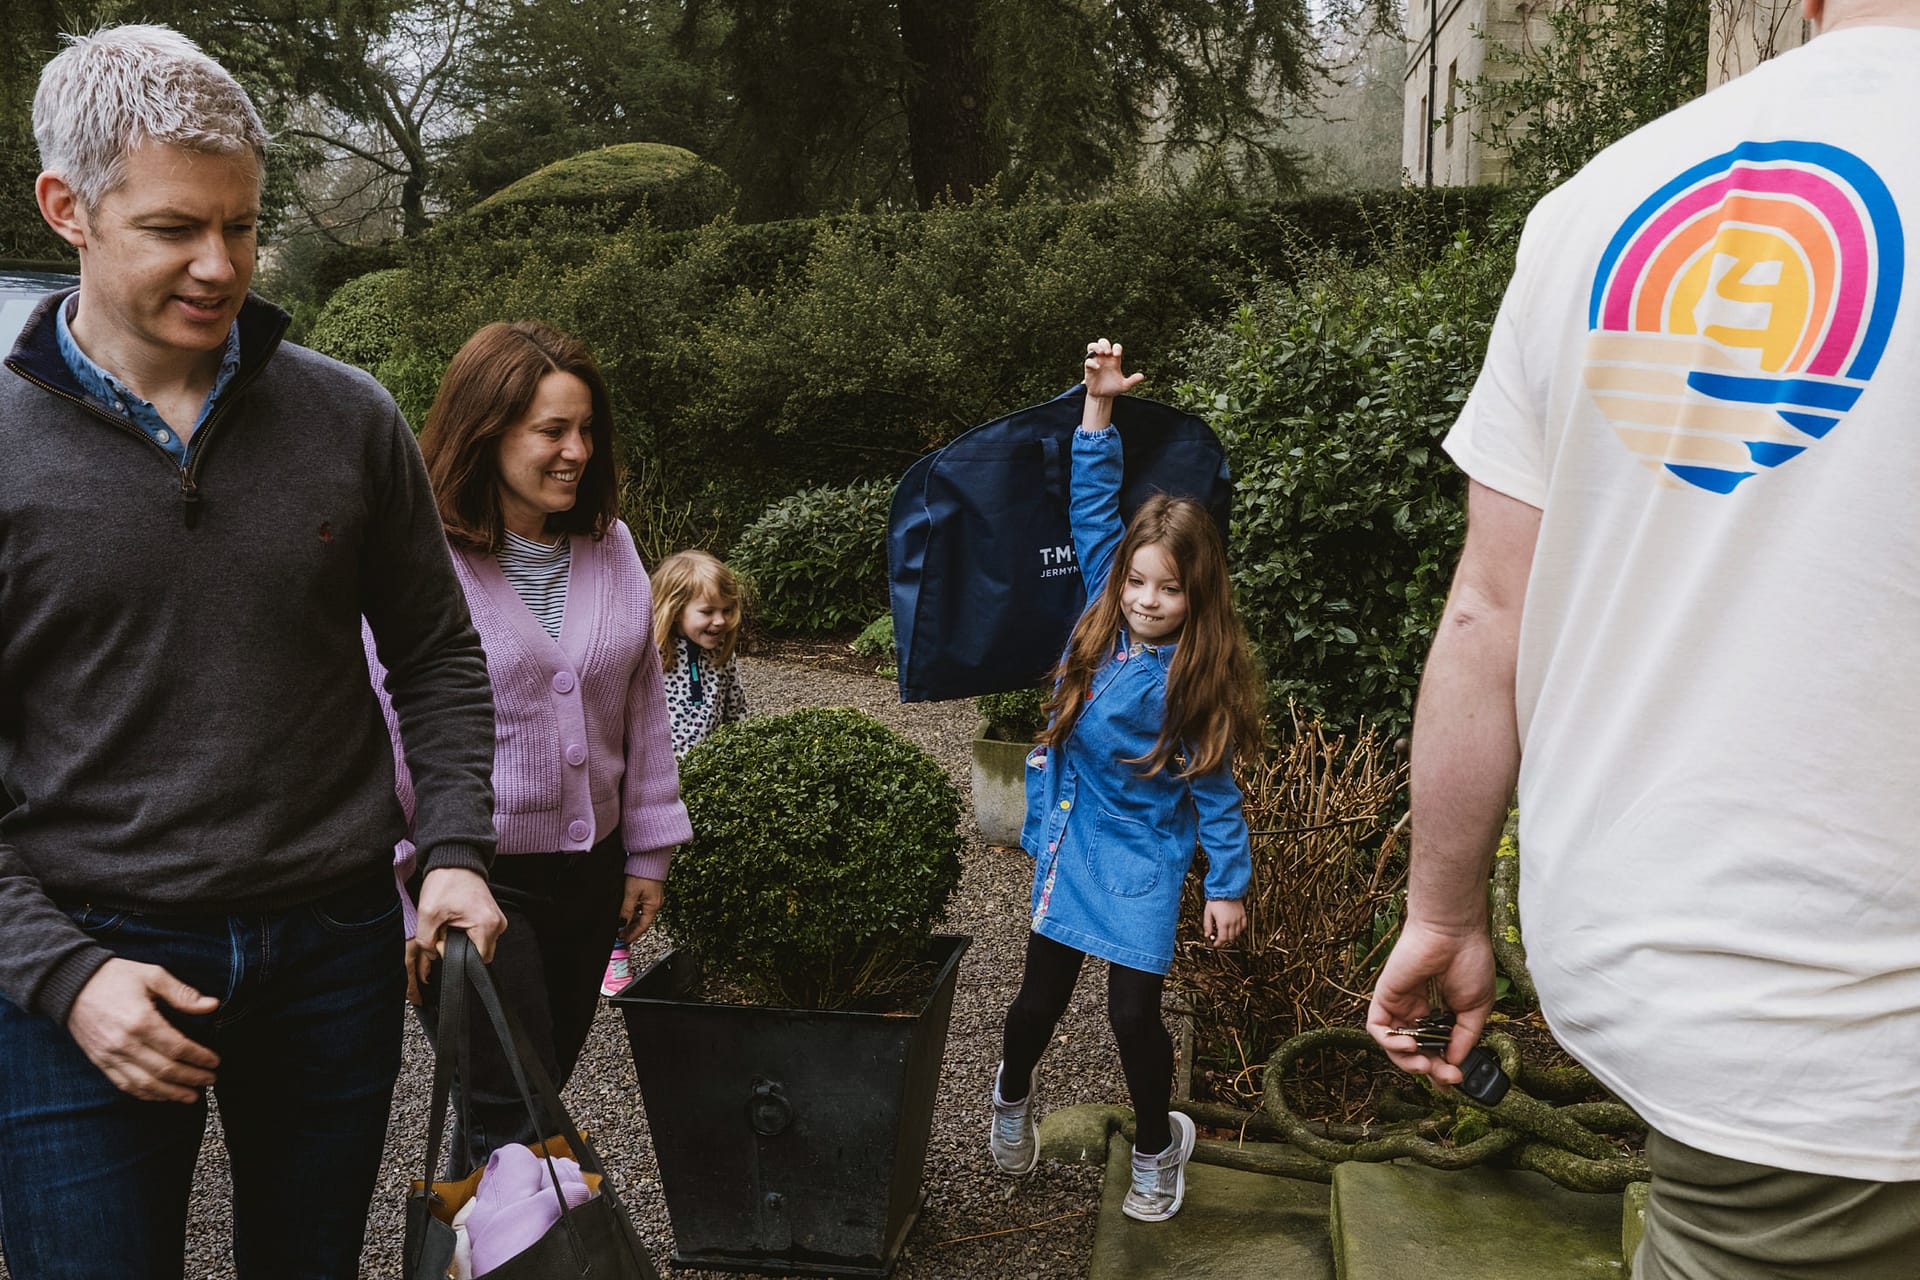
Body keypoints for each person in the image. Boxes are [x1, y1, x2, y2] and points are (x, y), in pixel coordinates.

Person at [1364, 1, 1920, 1274]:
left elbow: (1486, 608)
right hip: (1846, 1034)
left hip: (1722, 1012)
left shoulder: (1597, 206)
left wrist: (1443, 907)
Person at [0, 25, 505, 1280]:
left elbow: (438, 650)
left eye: (242, 224)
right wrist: (60, 975)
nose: (221, 264)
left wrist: (450, 850)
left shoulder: (349, 416)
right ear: (67, 207)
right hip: (87, 954)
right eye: (176, 228)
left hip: (330, 946)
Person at [369, 320, 691, 1174]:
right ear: (487, 431)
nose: (576, 451)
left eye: (586, 429)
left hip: (590, 882)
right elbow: (387, 732)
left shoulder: (611, 544)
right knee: (519, 1119)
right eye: (551, 430)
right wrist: (407, 887)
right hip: (471, 874)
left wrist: (649, 849)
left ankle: (473, 1249)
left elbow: (642, 701)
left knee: (517, 1111)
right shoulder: (420, 559)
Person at [988, 339, 1261, 1223]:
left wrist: (1228, 886)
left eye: (1169, 589)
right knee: (1036, 1003)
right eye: (1139, 581)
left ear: (1197, 595)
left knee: (1134, 1018)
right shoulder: (1100, 610)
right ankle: (1011, 1092)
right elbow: (1094, 502)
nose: (1147, 598)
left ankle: (1156, 1146)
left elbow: (1216, 793)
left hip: (1144, 850)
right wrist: (1098, 407)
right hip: (1075, 832)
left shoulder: (1195, 681)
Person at [600, 547, 749, 996]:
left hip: (703, 786)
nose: (719, 621)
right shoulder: (650, 658)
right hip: (647, 788)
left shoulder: (721, 660)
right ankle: (615, 950)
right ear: (672, 608)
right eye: (707, 611)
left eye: (726, 610)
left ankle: (707, 944)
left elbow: (735, 716)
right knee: (630, 870)